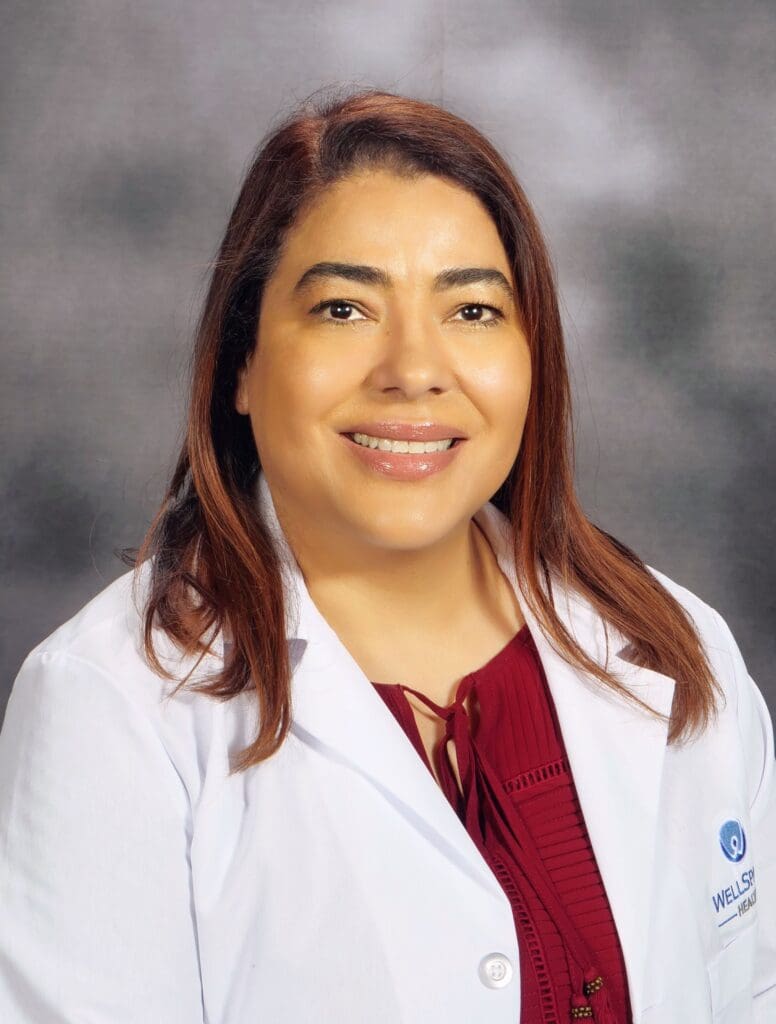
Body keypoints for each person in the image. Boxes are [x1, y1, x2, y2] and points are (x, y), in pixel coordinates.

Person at [0, 86, 773, 1024]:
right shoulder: (111, 707)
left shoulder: (675, 645)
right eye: (343, 308)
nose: (413, 370)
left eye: (473, 311)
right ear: (241, 363)